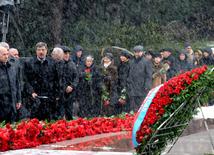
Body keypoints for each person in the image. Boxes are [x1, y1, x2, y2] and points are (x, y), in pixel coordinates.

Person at [24, 42, 60, 121]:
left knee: (49, 122)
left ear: (46, 51)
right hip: (36, 97)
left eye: (43, 50)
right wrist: (31, 92)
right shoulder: (29, 63)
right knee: (35, 123)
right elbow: (26, 80)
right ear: (36, 51)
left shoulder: (53, 62)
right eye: (39, 50)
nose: (41, 52)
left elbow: (57, 79)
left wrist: (57, 94)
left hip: (49, 97)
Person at [127, 45, 152, 113]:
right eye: (135, 52)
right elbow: (129, 74)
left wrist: (147, 85)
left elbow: (149, 75)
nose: (137, 54)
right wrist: (128, 84)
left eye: (138, 52)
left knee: (141, 105)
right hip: (132, 87)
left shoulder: (146, 61)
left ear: (142, 52)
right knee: (132, 105)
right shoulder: (131, 61)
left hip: (142, 87)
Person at [0, 46, 21, 123]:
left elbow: (17, 84)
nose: (6, 56)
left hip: (12, 105)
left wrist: (18, 99)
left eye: (7, 54)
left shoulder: (12, 66)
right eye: (3, 55)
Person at [59, 46, 79, 120]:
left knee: (70, 112)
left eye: (68, 53)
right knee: (60, 113)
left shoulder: (72, 63)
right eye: (65, 53)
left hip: (70, 92)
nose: (67, 55)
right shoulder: (59, 63)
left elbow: (76, 76)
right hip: (61, 93)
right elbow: (59, 78)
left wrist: (71, 86)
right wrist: (65, 87)